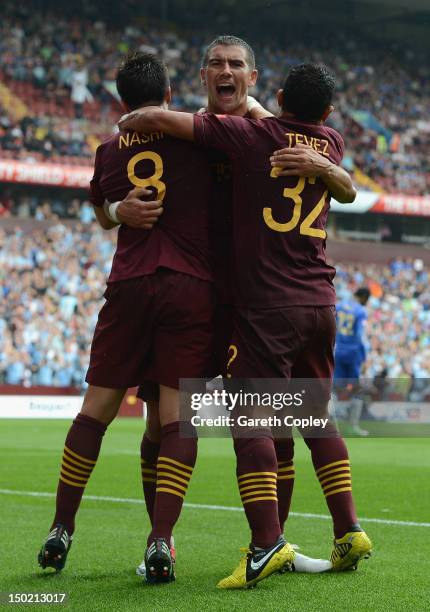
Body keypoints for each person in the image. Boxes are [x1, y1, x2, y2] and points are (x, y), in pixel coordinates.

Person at [119, 61, 372, 585]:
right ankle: (349, 530)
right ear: (326, 112)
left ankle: (264, 545)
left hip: (266, 307)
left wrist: (138, 116)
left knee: (249, 423)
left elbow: (161, 123)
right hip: (320, 300)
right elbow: (344, 186)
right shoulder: (331, 141)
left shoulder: (251, 137)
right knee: (313, 419)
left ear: (273, 91)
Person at [38, 51, 218, 583]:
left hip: (130, 285)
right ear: (168, 97)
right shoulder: (196, 137)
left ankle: (60, 527)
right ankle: (161, 539)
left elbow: (99, 212)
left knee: (96, 410)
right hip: (190, 288)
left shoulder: (108, 151)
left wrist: (119, 212)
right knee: (175, 418)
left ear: (121, 102)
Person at [334, 286, 371, 436]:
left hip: (337, 350)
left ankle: (331, 427)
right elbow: (360, 335)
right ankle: (353, 426)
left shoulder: (339, 306)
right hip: (353, 352)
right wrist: (364, 356)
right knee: (356, 388)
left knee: (334, 388)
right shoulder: (361, 311)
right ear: (364, 298)